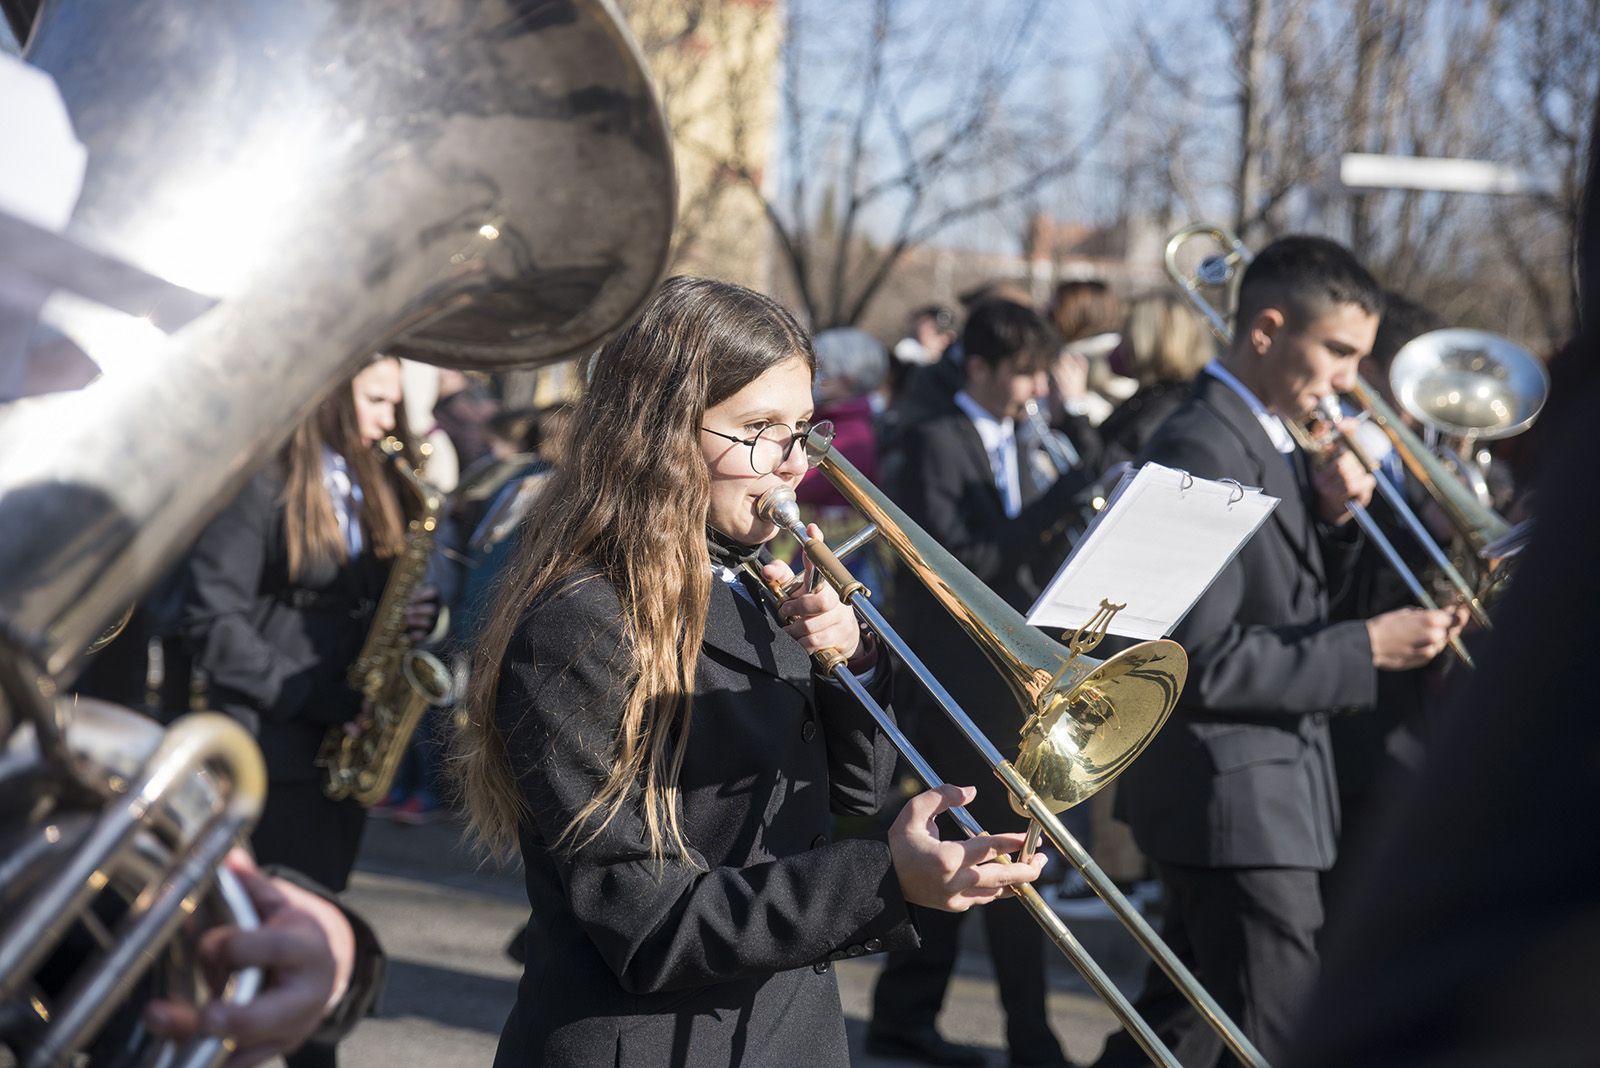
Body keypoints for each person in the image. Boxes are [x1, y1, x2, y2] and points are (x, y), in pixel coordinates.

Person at [451, 276, 1046, 1068]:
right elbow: (645, 927)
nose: (795, 464)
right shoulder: (578, 623)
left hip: (785, 1030)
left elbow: (854, 795)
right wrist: (882, 881)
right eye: (760, 429)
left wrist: (850, 666)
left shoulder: (754, 582)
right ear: (658, 433)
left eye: (802, 427)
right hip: (649, 1044)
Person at [1092, 236, 1466, 1068]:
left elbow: (1279, 600)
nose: (1349, 382)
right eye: (1338, 352)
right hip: (1237, 804)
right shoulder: (1204, 443)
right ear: (1265, 330)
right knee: (1276, 1037)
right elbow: (1194, 659)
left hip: (1260, 798)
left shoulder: (1258, 434)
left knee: (1176, 1036)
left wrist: (1333, 524)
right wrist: (1366, 647)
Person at [177, 353, 428, 1068]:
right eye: (376, 399)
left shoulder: (376, 482)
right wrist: (315, 697)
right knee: (270, 943)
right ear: (325, 394)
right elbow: (213, 622)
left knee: (316, 929)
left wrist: (413, 616)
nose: (391, 418)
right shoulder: (260, 481)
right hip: (269, 744)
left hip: (334, 749)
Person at [868, 298, 1097, 1068]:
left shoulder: (1037, 437)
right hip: (959, 682)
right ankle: (1027, 1037)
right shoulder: (935, 442)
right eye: (1023, 373)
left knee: (983, 853)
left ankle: (906, 1016)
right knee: (999, 853)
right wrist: (1061, 501)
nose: (1035, 388)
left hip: (1019, 679)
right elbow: (958, 570)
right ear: (978, 369)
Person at [1093, 292, 1213, 472]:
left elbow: (1105, 469)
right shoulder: (1157, 394)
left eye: (1127, 334)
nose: (1123, 345)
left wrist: (1073, 411)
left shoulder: (1169, 405)